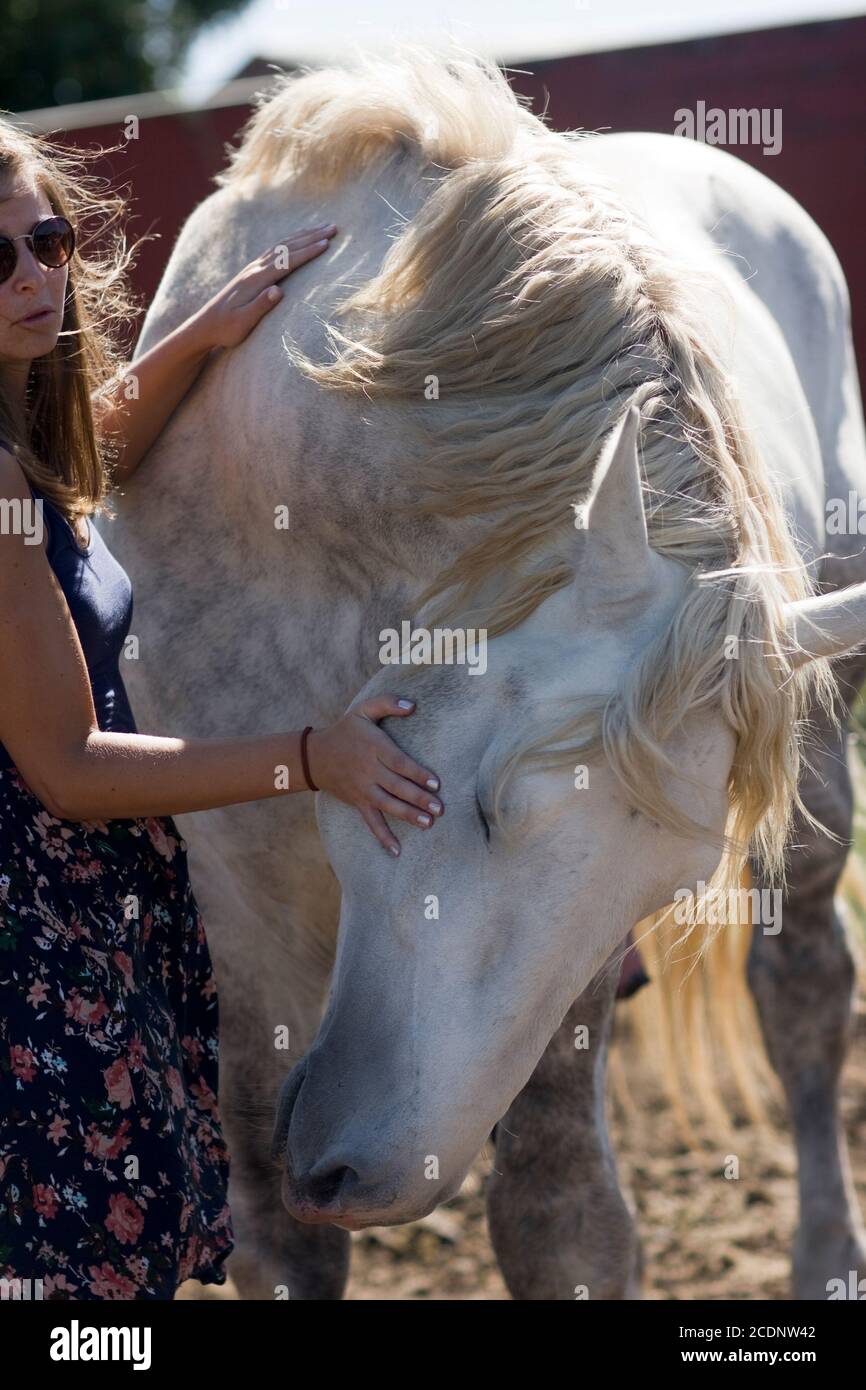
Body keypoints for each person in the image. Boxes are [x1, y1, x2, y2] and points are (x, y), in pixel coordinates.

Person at [0, 119, 444, 1300]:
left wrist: (207, 329)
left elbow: (83, 467)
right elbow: (69, 768)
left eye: (46, 241)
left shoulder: (19, 442)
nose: (36, 277)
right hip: (31, 934)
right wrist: (314, 756)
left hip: (73, 910)